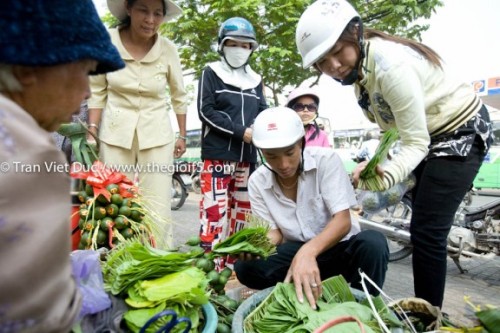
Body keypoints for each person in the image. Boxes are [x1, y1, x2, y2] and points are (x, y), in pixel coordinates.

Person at [295, 0, 493, 308]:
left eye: (338, 51)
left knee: (427, 232)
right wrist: (373, 163)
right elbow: (393, 131)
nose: (333, 65)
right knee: (422, 228)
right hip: (427, 138)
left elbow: (415, 142)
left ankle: (427, 317)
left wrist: (382, 175)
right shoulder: (360, 75)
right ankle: (426, 311)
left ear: (356, 33)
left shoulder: (389, 67)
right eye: (322, 60)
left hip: (459, 132)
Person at [0, 0, 125, 331]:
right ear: (28, 67)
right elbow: (38, 317)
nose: (86, 92)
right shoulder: (28, 150)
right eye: (84, 72)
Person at [234, 107, 389, 309]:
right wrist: (256, 246)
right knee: (246, 267)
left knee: (373, 244)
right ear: (262, 153)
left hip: (337, 249)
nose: (283, 164)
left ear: (301, 143)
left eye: (290, 153)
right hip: (295, 253)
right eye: (272, 156)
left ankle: (366, 306)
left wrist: (308, 253)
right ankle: (294, 296)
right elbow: (275, 233)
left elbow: (342, 220)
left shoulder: (326, 161)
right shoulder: (257, 181)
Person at [88, 0, 188, 249]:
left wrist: (183, 135)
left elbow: (178, 95)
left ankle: (159, 256)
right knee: (111, 198)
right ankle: (111, 258)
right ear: (129, 10)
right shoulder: (107, 41)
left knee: (157, 203)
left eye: (157, 13)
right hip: (114, 131)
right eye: (143, 10)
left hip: (157, 133)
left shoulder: (168, 49)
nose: (150, 19)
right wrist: (92, 131)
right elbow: (97, 90)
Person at [197, 17, 268, 263]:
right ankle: (211, 268)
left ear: (252, 49)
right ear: (222, 45)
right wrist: (241, 132)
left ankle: (235, 270)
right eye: (233, 43)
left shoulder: (256, 80)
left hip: (247, 159)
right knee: (214, 214)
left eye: (245, 45)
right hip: (218, 157)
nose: (240, 49)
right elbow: (206, 111)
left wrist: (260, 129)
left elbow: (263, 111)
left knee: (242, 215)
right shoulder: (211, 72)